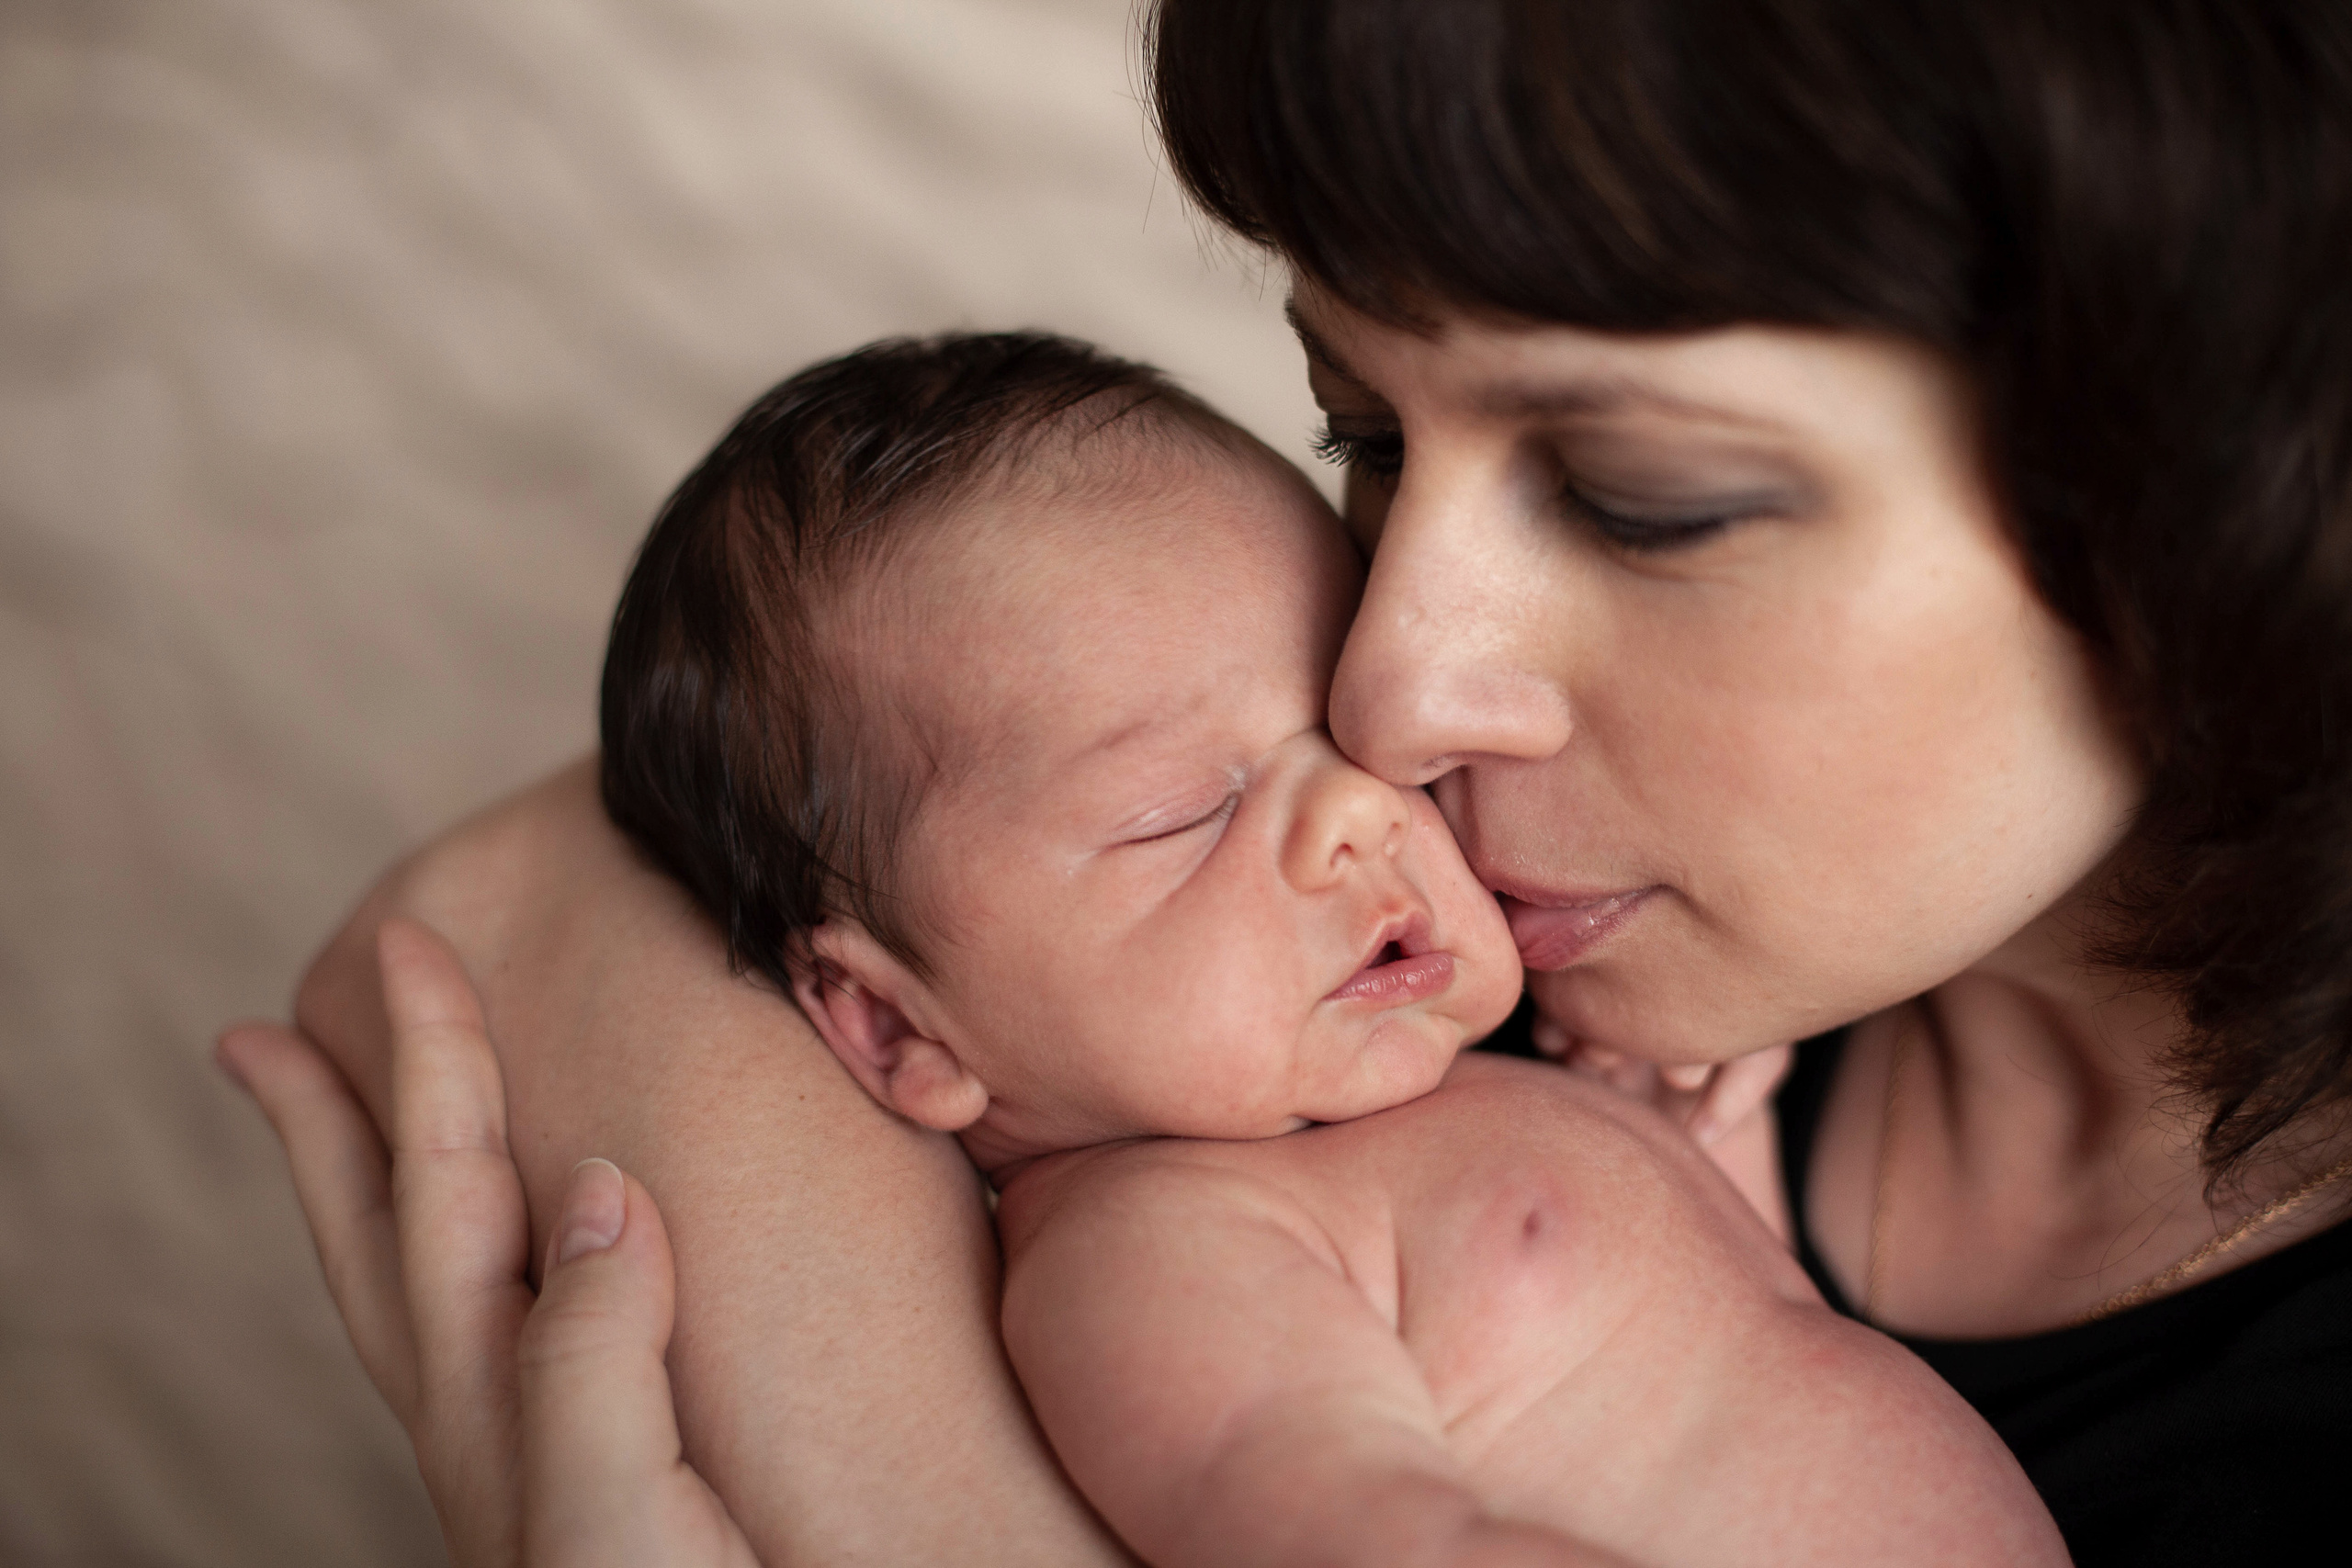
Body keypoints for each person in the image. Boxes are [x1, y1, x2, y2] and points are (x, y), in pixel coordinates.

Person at [226, 2, 2352, 1564]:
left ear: (2229, 481)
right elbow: (516, 896)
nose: (1390, 681)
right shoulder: (1376, 980)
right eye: (1365, 429)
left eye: (1638, 498)